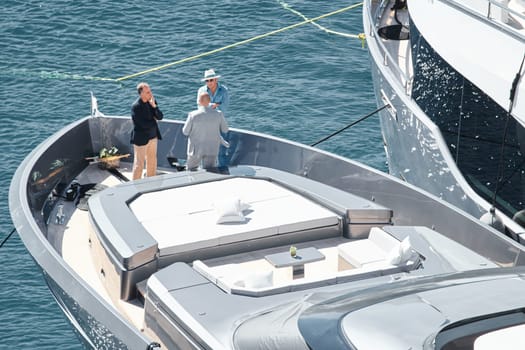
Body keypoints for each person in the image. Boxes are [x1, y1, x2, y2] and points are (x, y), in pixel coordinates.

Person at [183, 92, 229, 171]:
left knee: (191, 170)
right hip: (212, 149)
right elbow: (225, 130)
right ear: (209, 101)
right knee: (210, 172)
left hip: (195, 150)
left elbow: (185, 132)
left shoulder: (193, 115)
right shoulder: (218, 114)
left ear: (199, 101)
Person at [196, 69, 230, 168]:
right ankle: (206, 170)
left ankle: (223, 170)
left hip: (219, 123)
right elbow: (200, 107)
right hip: (205, 123)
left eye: (211, 80)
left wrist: (210, 106)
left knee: (222, 149)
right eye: (207, 81)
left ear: (216, 80)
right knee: (205, 149)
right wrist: (214, 105)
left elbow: (224, 107)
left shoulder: (224, 90)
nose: (209, 82)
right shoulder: (201, 91)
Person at [130, 82, 163, 180]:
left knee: (152, 161)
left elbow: (160, 117)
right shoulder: (136, 107)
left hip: (153, 136)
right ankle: (135, 184)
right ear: (141, 93)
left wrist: (154, 107)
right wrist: (154, 121)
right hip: (141, 140)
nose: (150, 94)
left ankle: (151, 181)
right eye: (148, 92)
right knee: (139, 164)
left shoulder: (152, 101)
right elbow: (142, 124)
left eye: (150, 91)